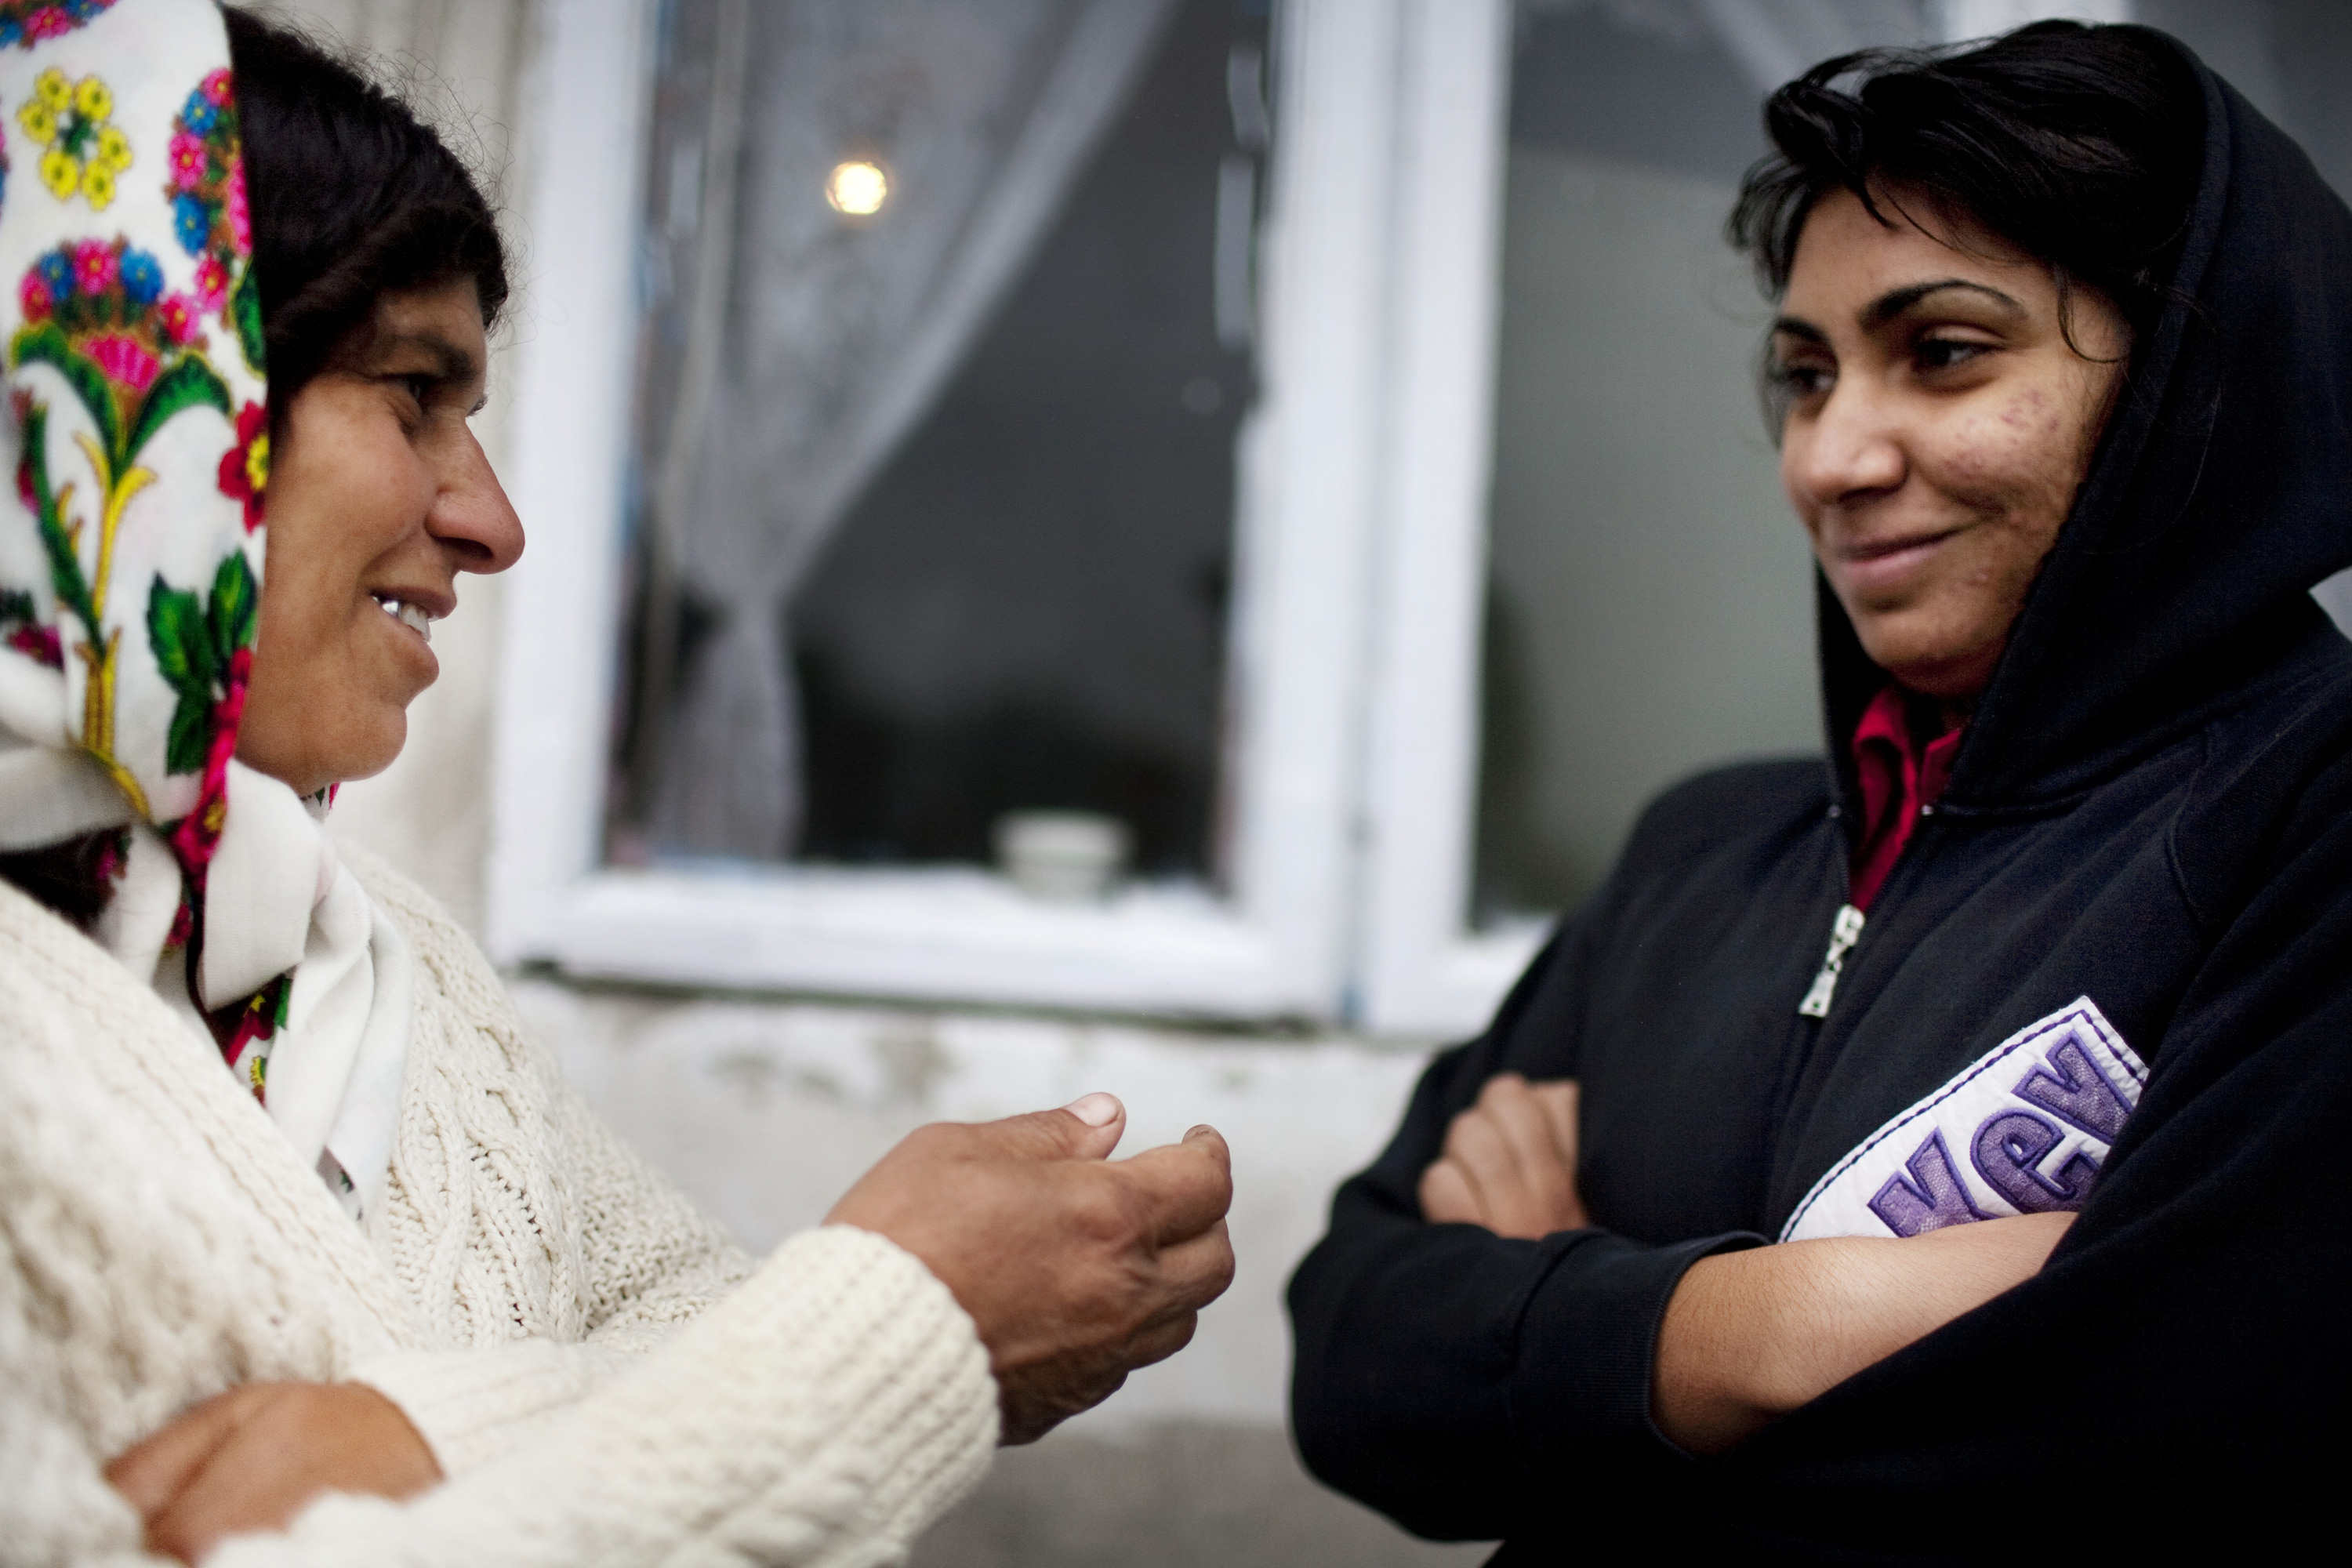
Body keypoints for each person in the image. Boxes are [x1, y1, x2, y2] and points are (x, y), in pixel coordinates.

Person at [0, 5, 1233, 1564]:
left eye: (482, 420)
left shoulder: (379, 954)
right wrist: (900, 1335)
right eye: (411, 399)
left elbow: (704, 1306)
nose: (494, 519)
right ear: (128, 398)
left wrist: (406, 1438)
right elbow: (762, 1353)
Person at [1290, 19, 2352, 1559]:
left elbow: (2165, 1447)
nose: (1831, 456)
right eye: (1804, 374)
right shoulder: (1702, 850)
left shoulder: (2309, 823)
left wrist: (1553, 1321)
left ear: (2196, 380)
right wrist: (1754, 1330)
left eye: (1943, 350)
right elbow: (1348, 1353)